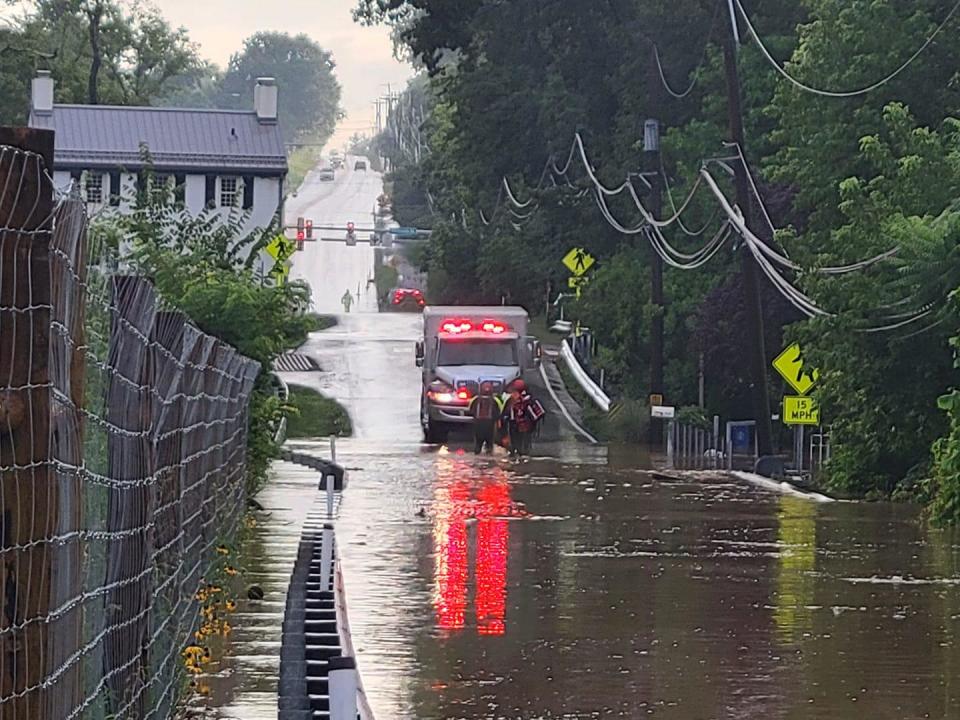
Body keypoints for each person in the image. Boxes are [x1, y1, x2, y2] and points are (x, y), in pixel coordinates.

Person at [501, 379, 545, 457]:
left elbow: (535, 417)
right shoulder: (512, 402)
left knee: (522, 450)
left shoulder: (527, 402)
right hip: (516, 430)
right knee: (517, 450)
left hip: (524, 431)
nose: (512, 394)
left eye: (514, 392)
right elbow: (506, 417)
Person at [470, 381, 503, 454]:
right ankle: (489, 458)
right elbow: (499, 411)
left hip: (478, 424)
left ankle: (477, 456)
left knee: (478, 445)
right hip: (490, 425)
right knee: (489, 445)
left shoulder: (475, 399)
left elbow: (471, 409)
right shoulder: (496, 400)